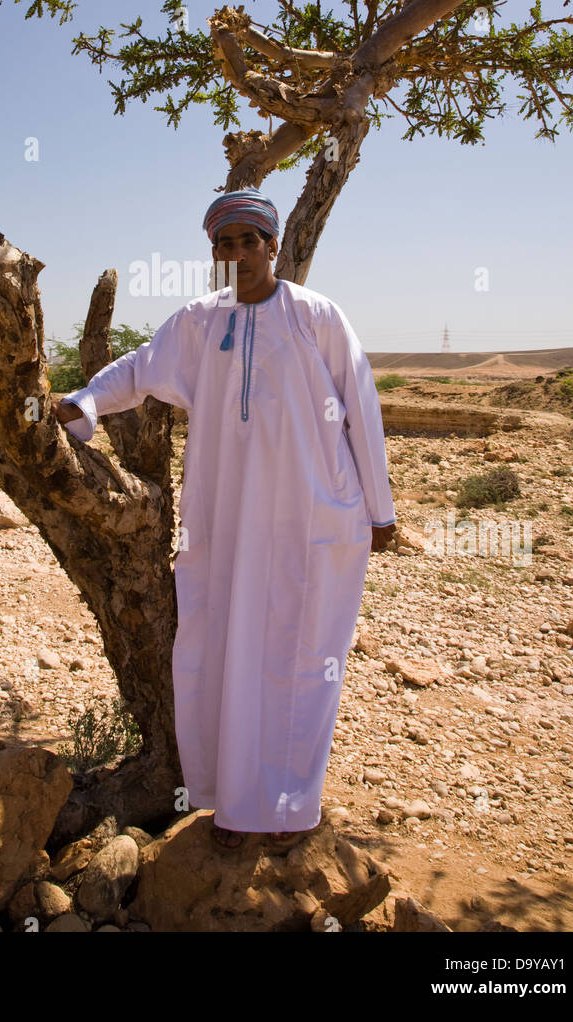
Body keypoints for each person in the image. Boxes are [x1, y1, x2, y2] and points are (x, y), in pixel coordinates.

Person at [53, 187, 396, 851]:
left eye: (250, 240)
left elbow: (361, 407)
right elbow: (138, 370)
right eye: (225, 243)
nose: (239, 253)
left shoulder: (317, 316)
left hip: (311, 517)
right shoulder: (199, 323)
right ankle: (235, 809)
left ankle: (290, 813)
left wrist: (379, 511)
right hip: (226, 522)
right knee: (222, 653)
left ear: (274, 246)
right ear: (214, 252)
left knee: (300, 659)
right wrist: (86, 400)